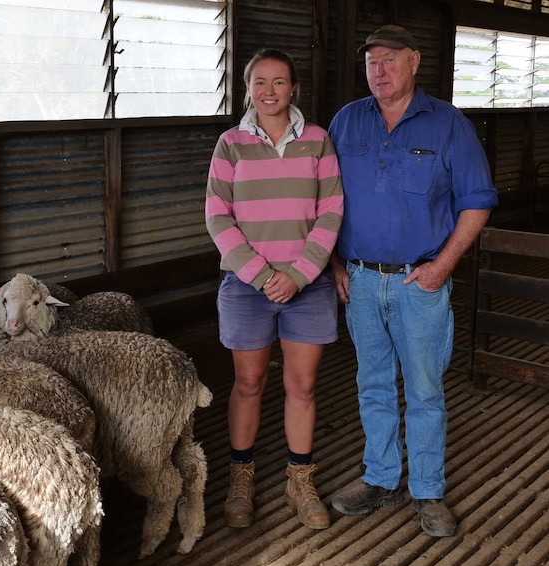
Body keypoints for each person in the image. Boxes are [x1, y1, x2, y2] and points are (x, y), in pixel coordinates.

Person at [326, 24, 498, 537]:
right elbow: (323, 199)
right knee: (372, 385)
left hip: (418, 283)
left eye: (388, 60)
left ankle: (427, 490)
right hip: (359, 280)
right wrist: (336, 265)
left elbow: (477, 201)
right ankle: (380, 477)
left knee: (424, 390)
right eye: (370, 63)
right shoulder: (346, 122)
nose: (378, 71)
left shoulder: (447, 124)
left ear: (415, 61)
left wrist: (442, 266)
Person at [205, 48, 344, 530]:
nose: (269, 92)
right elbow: (217, 216)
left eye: (279, 82)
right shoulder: (231, 144)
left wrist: (301, 273)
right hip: (247, 286)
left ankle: (299, 480)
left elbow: (331, 212)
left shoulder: (319, 141)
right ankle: (240, 478)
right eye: (260, 82)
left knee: (302, 386)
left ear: (294, 89)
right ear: (248, 89)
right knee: (248, 383)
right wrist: (263, 275)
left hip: (307, 284)